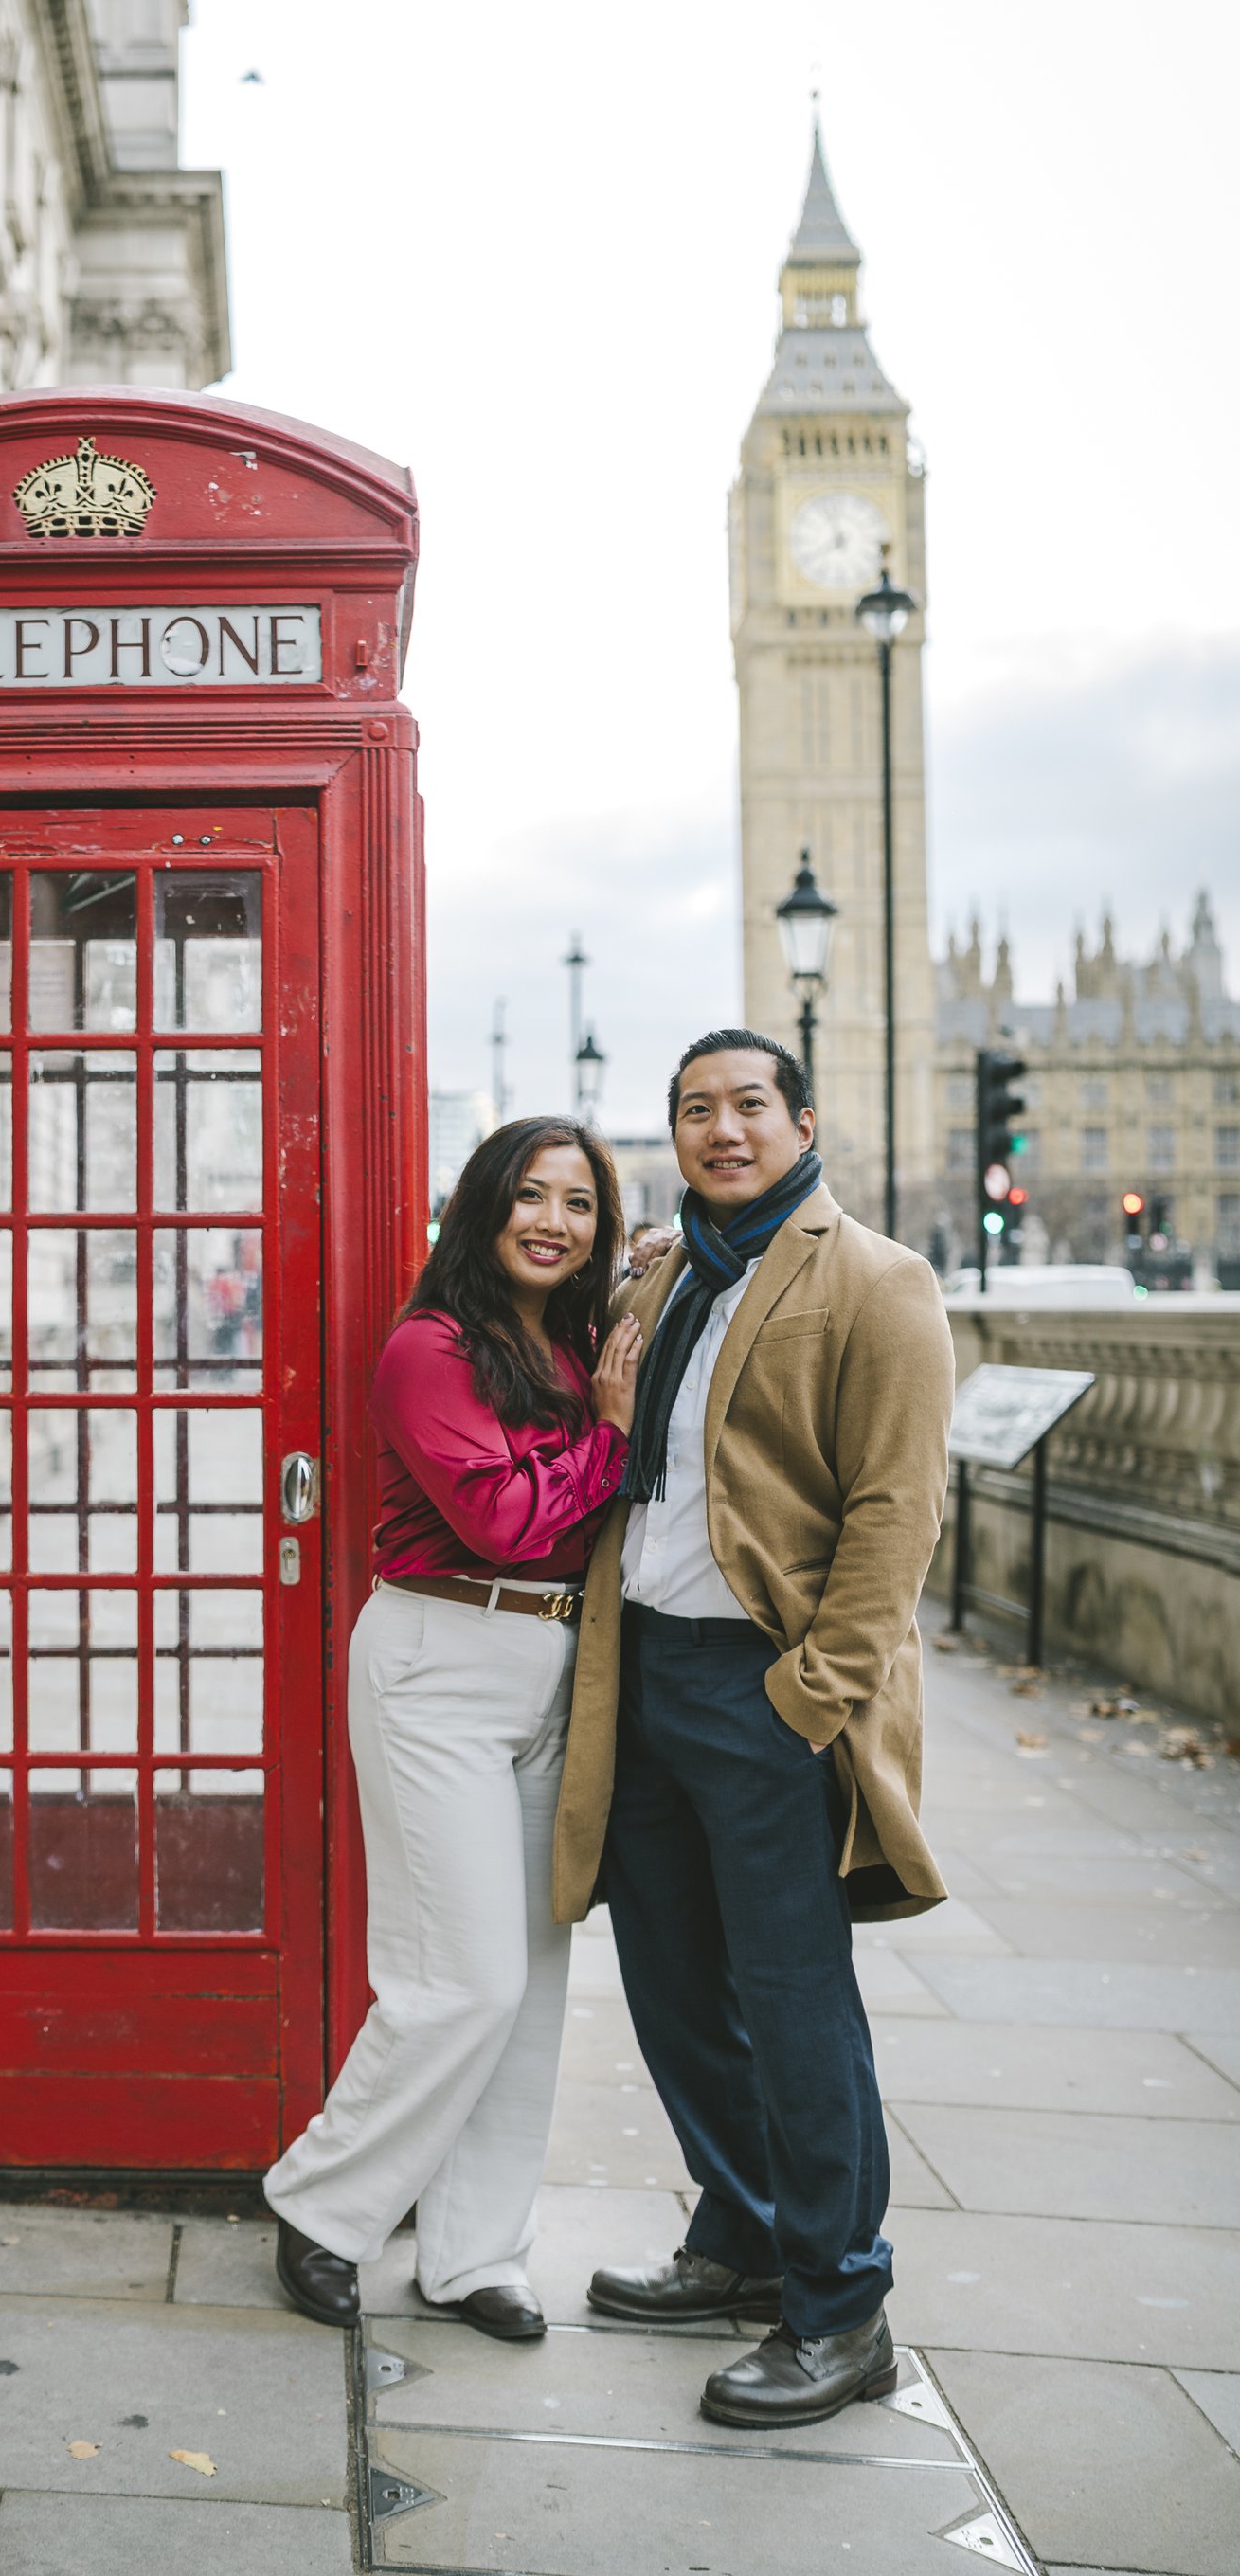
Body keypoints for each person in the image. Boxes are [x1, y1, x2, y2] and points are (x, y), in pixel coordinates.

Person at [551, 1029, 954, 2429]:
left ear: (802, 1121)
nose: (720, 1131)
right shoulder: (663, 1275)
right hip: (644, 1676)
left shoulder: (878, 1282)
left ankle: (841, 2308)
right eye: (693, 1111)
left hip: (764, 1689)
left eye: (746, 1107)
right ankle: (741, 2232)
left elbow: (897, 1512)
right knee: (671, 1982)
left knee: (793, 2004)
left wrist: (811, 1698)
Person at [266, 1116, 643, 2341]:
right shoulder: (427, 1348)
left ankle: (477, 2253)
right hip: (440, 1659)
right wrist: (613, 1437)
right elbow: (502, 1520)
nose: (553, 1222)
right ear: (483, 1207)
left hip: (557, 1667)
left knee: (531, 1984)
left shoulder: (579, 1342)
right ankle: (322, 2206)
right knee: (460, 1980)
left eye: (579, 1204)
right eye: (530, 1195)